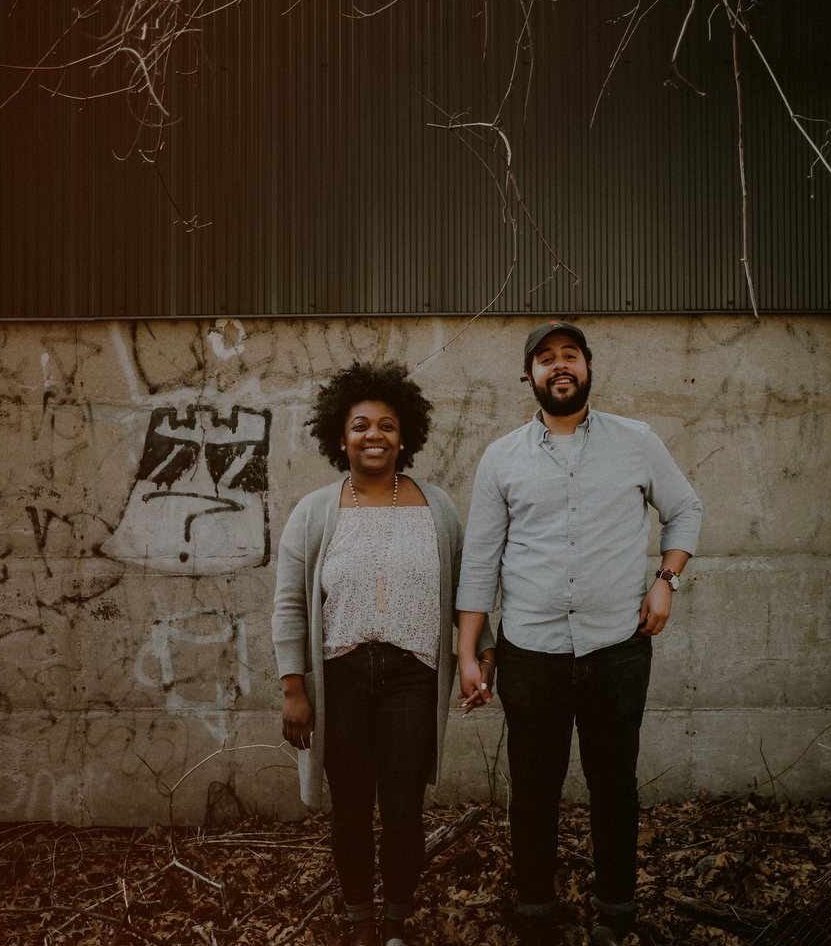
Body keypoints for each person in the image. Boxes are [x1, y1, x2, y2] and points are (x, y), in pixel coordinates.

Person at [454, 321, 702, 946]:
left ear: (588, 366)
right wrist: (467, 652)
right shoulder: (501, 457)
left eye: (569, 356)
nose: (558, 366)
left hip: (617, 650)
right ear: (530, 376)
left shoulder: (636, 442)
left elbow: (685, 508)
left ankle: (615, 914)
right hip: (530, 655)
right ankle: (536, 914)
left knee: (614, 785)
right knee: (532, 791)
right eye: (544, 359)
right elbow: (480, 560)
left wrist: (666, 578)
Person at [272, 360, 495, 946]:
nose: (375, 435)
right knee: (349, 809)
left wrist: (481, 654)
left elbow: (466, 593)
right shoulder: (315, 512)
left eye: (388, 425)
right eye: (361, 425)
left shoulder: (437, 507)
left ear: (406, 435)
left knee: (401, 808)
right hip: (341, 679)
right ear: (339, 436)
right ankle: (359, 922)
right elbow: (290, 605)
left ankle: (396, 919)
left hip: (411, 678)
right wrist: (294, 688)